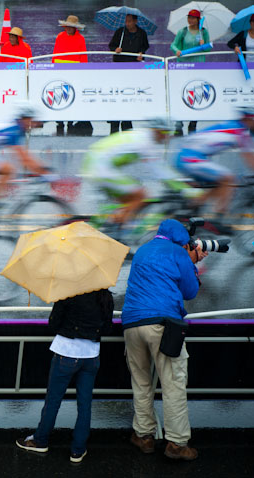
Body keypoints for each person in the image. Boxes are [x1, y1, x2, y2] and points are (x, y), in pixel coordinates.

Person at [121, 218, 207, 461]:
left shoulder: (143, 250)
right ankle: (177, 444)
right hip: (163, 324)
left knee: (141, 381)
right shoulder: (178, 252)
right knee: (173, 383)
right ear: (183, 242)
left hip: (132, 324)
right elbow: (190, 291)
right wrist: (192, 264)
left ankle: (144, 435)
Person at [16, 289, 114, 463]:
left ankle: (40, 440)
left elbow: (53, 324)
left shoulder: (69, 293)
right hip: (91, 356)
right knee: (85, 405)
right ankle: (78, 450)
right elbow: (107, 328)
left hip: (66, 354)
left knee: (53, 401)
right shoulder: (105, 296)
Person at [82, 119, 183, 226]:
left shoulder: (142, 135)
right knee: (140, 194)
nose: (167, 137)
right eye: (166, 133)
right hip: (100, 168)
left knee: (128, 200)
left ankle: (113, 226)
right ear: (157, 131)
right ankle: (119, 227)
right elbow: (159, 170)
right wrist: (184, 188)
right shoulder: (146, 142)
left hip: (96, 163)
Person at [173, 106, 254, 217]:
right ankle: (217, 216)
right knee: (228, 179)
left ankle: (194, 205)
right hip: (190, 158)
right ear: (248, 119)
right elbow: (250, 158)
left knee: (217, 183)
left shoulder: (233, 125)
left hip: (187, 156)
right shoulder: (239, 132)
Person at [108, 14, 150, 133]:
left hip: (134, 68)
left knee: (130, 94)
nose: (127, 23)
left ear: (135, 21)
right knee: (118, 94)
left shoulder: (142, 33)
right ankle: (114, 123)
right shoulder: (120, 32)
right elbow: (111, 45)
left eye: (130, 21)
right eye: (126, 21)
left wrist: (141, 53)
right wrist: (116, 50)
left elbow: (145, 46)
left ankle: (127, 122)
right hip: (119, 66)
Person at [171, 10, 210, 136]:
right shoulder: (182, 31)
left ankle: (193, 122)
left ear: (198, 19)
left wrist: (204, 45)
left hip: (198, 66)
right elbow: (174, 45)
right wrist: (177, 51)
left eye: (193, 18)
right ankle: (179, 122)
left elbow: (208, 48)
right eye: (189, 18)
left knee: (197, 94)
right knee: (182, 93)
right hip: (184, 65)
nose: (190, 20)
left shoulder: (203, 32)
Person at [53, 15, 89, 136]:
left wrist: (83, 71)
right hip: (60, 71)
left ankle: (70, 120)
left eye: (71, 27)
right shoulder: (60, 37)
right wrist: (53, 68)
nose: (68, 29)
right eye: (67, 26)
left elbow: (83, 57)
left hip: (74, 73)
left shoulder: (80, 39)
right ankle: (60, 121)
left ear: (75, 28)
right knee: (59, 96)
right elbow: (55, 54)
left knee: (71, 96)